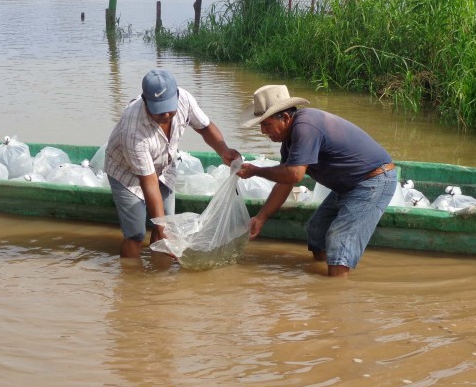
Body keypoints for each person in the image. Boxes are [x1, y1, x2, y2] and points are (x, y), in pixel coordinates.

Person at [236, 84, 397, 277]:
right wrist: (261, 218)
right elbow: (286, 182)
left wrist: (256, 171)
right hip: (348, 186)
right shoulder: (289, 141)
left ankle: (336, 289)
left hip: (373, 180)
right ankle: (324, 276)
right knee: (316, 230)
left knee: (339, 238)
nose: (263, 131)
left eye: (266, 124)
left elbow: (294, 174)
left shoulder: (305, 127)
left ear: (285, 118)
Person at [104, 69, 241, 258]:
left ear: (176, 95)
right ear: (145, 102)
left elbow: (205, 127)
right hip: (126, 174)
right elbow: (148, 181)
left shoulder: (184, 99)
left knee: (166, 227)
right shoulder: (133, 128)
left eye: (170, 109)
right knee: (136, 234)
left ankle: (159, 276)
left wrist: (223, 151)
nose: (166, 116)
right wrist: (160, 227)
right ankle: (131, 277)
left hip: (164, 167)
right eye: (159, 112)